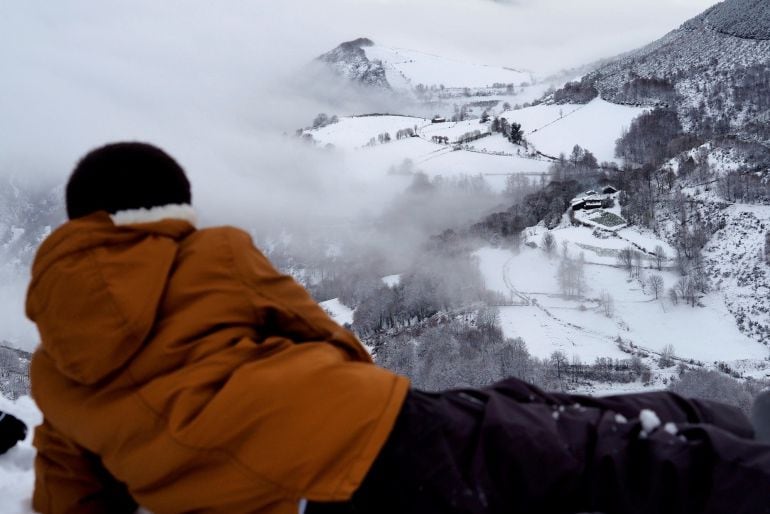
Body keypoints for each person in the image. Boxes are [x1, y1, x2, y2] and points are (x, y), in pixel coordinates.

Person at [27, 142, 770, 514]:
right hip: (367, 432)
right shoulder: (212, 251)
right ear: (171, 209)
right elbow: (322, 333)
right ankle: (743, 451)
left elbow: (69, 484)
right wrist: (369, 396)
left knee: (541, 426)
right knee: (594, 443)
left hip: (297, 495)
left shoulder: (55, 363)